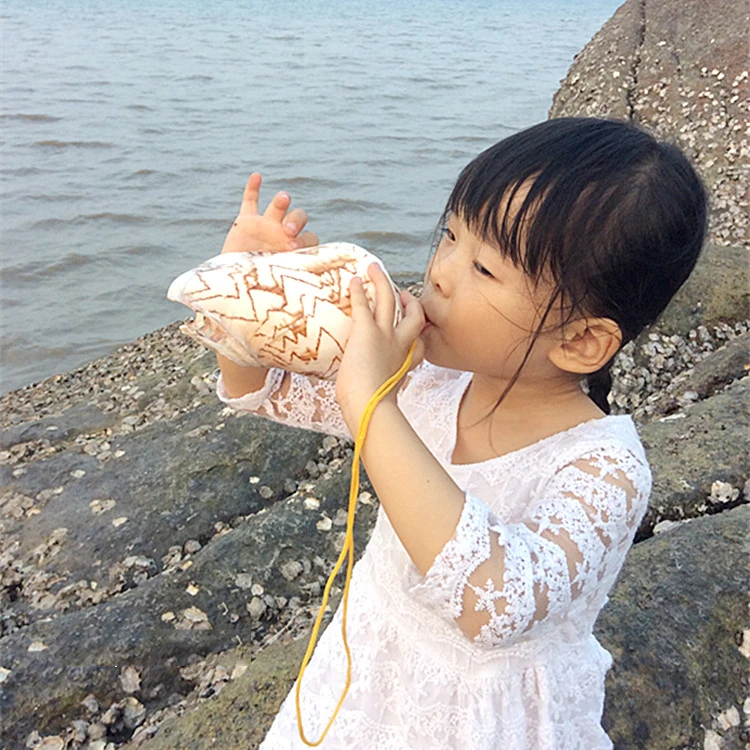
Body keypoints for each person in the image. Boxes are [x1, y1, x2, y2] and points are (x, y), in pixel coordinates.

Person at [214, 118, 707, 749]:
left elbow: (497, 604)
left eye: (483, 267)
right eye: (449, 234)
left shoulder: (603, 469)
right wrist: (246, 290)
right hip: (369, 673)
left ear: (582, 341)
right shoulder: (427, 383)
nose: (440, 271)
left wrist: (372, 402)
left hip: (484, 721)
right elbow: (263, 388)